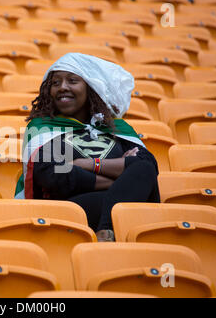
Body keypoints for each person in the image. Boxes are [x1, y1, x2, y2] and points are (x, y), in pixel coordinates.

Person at [14, 53, 160, 242]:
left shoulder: (117, 128)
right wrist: (123, 180)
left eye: (72, 80)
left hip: (128, 210)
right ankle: (107, 232)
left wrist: (86, 164)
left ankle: (106, 232)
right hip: (71, 211)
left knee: (144, 169)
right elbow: (54, 175)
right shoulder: (43, 128)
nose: (62, 87)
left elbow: (147, 166)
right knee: (129, 193)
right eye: (55, 83)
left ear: (91, 88)